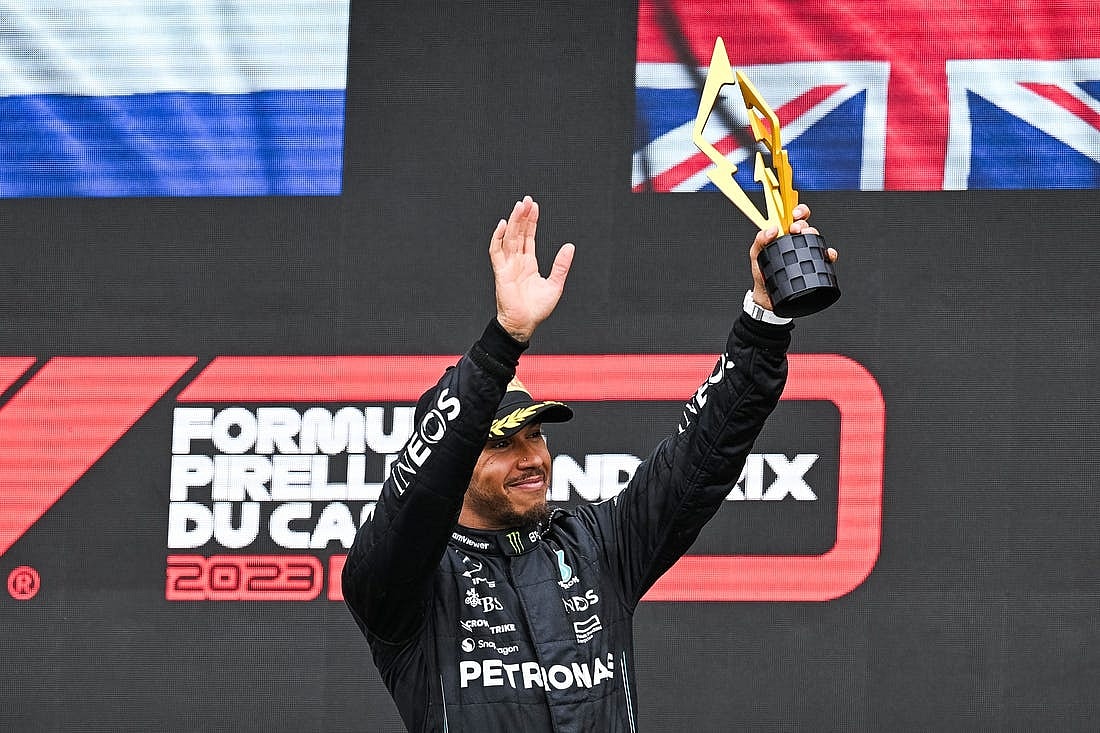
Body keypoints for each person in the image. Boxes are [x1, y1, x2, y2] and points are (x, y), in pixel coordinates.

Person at [342, 195, 836, 731]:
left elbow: (702, 454)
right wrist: (504, 341)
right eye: (503, 444)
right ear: (454, 461)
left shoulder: (597, 545)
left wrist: (765, 324)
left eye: (535, 436)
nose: (531, 458)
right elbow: (415, 499)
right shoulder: (402, 581)